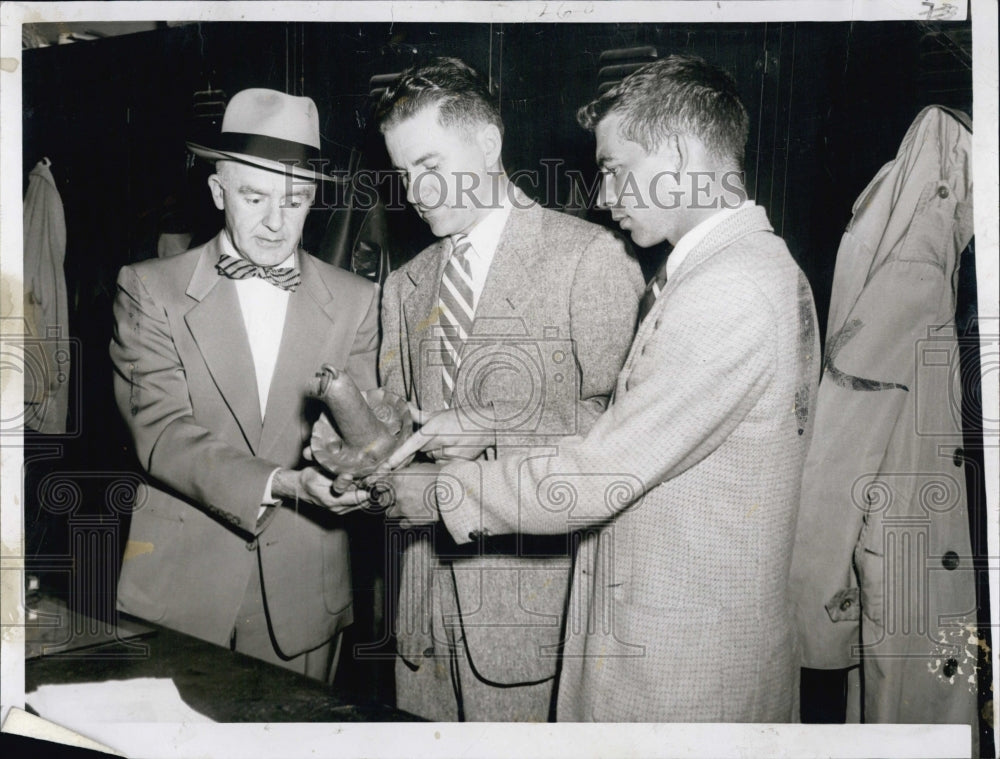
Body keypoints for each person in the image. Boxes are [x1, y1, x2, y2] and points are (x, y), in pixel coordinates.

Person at [377, 55, 821, 721]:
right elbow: (636, 434)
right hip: (667, 654)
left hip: (683, 673)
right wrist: (488, 428)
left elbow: (601, 469)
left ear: (676, 154)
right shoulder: (730, 272)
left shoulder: (730, 290)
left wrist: (444, 492)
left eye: (615, 169)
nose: (604, 194)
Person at [370, 57, 643, 721]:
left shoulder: (588, 258)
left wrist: (496, 428)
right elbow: (398, 441)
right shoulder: (403, 286)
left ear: (488, 144)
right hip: (421, 623)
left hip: (534, 622)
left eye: (431, 166)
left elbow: (627, 438)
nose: (416, 192)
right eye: (405, 174)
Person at [110, 88, 379, 681]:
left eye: (295, 199)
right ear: (217, 192)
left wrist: (360, 477)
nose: (276, 222)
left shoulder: (360, 302)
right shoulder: (149, 288)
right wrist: (282, 482)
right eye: (254, 197)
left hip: (304, 600)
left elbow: (360, 436)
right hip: (179, 591)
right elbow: (160, 432)